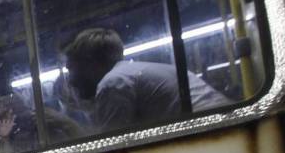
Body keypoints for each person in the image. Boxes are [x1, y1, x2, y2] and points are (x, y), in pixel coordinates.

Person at [63, 27, 230, 133]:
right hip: (223, 123)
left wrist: (69, 120)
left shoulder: (113, 82)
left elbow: (111, 145)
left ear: (91, 63)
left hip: (209, 131)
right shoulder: (139, 71)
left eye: (73, 69)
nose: (71, 80)